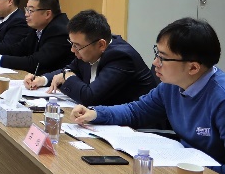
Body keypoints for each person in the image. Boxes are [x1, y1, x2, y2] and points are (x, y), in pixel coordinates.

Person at [67, 18, 225, 174]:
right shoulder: (172, 85)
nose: (155, 63)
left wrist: (182, 168)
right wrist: (96, 113)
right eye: (156, 53)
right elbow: (136, 111)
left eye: (163, 58)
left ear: (193, 67)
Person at [29, 10, 157, 106]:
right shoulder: (89, 49)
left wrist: (67, 77)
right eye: (72, 43)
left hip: (136, 127)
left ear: (101, 45)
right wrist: (42, 79)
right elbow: (69, 70)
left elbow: (90, 97)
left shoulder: (121, 57)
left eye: (77, 46)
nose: (72, 50)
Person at [0, 0, 73, 74]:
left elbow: (35, 62)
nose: (26, 14)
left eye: (31, 11)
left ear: (47, 14)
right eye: (26, 10)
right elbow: (17, 48)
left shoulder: (60, 32)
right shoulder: (38, 26)